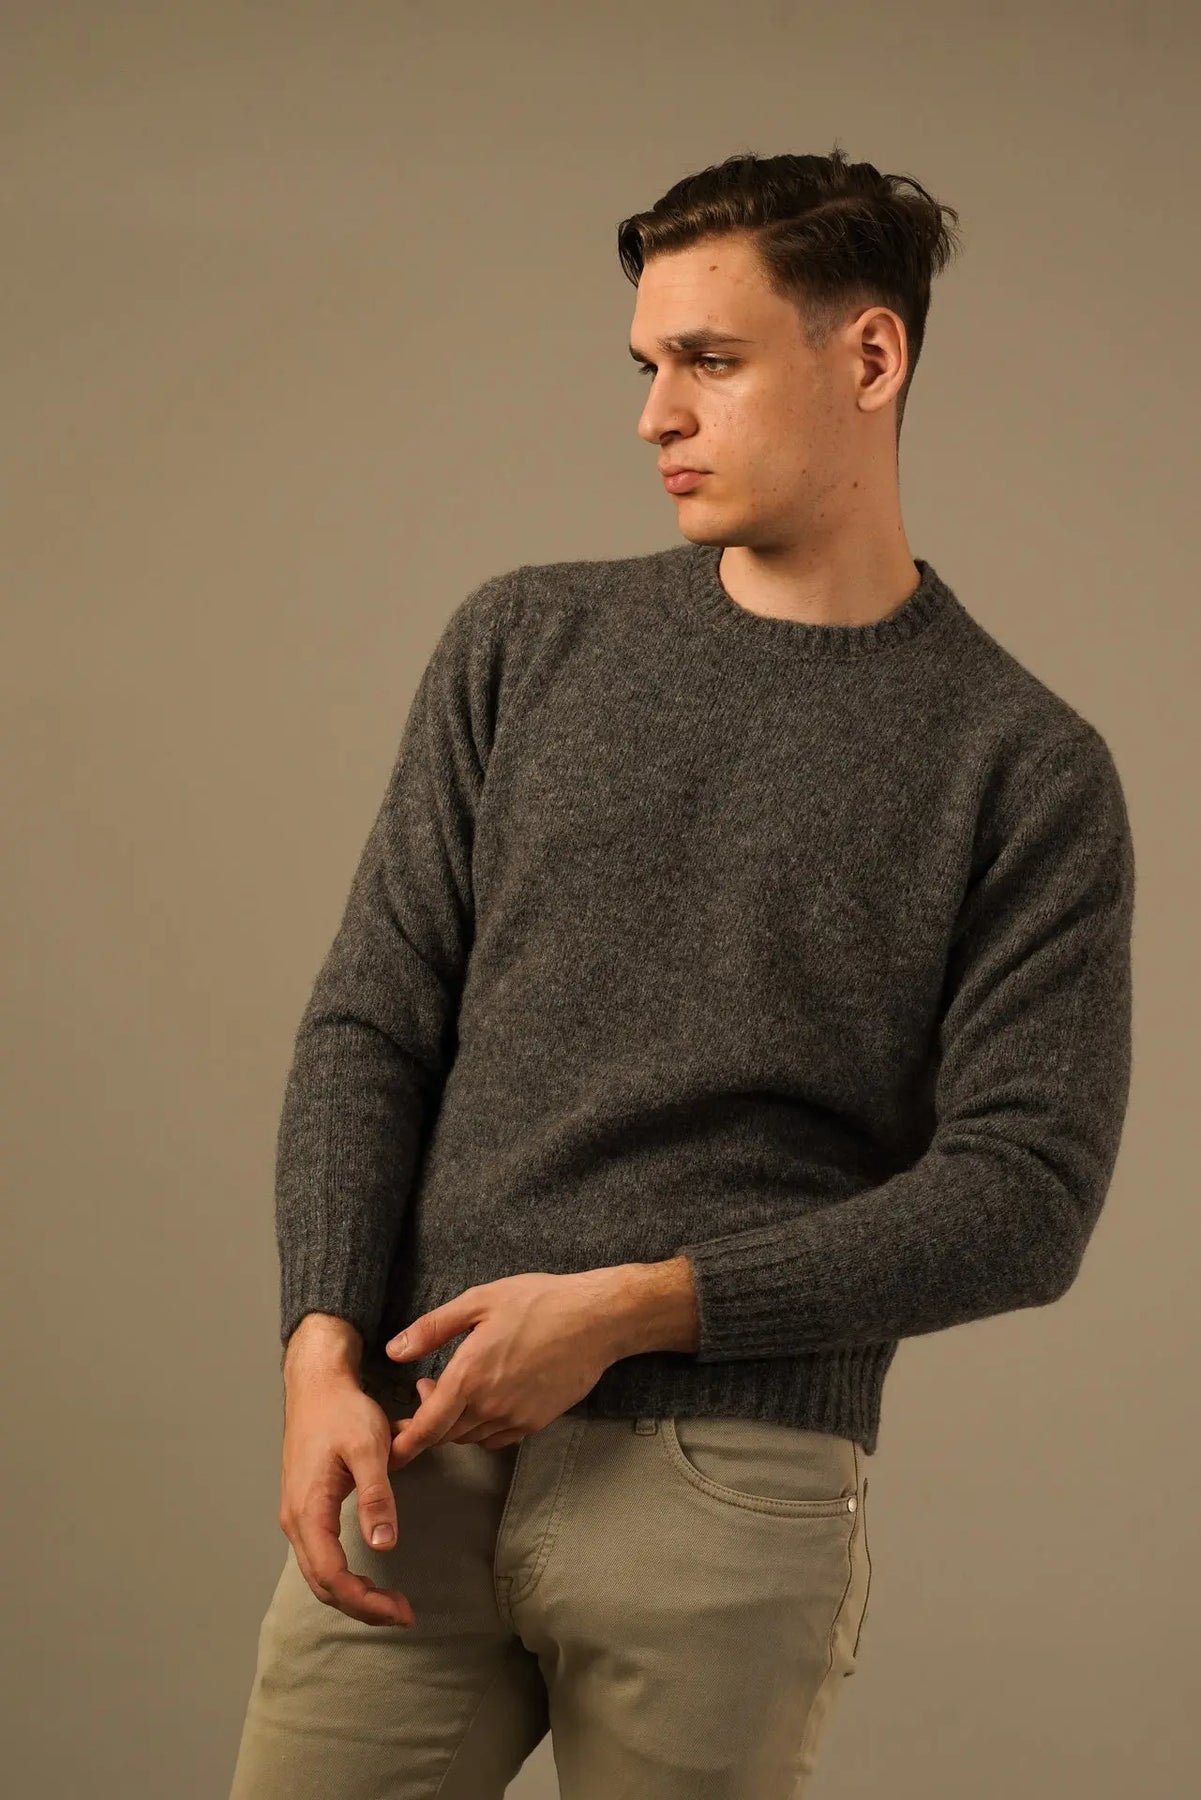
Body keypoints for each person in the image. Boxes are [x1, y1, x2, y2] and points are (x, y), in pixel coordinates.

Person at [228, 146, 1135, 1799]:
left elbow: (1025, 1196)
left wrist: (635, 1309)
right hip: (406, 1451)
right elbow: (371, 1024)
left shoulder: (1020, 764)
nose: (654, 416)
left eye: (707, 362)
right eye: (646, 365)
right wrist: (315, 1358)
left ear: (870, 357)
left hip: (729, 1481)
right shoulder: (522, 643)